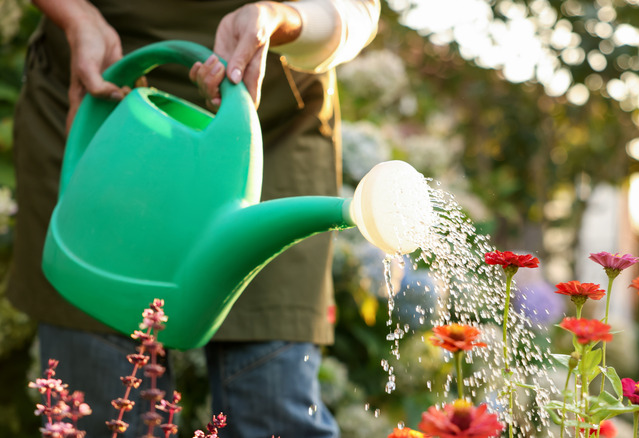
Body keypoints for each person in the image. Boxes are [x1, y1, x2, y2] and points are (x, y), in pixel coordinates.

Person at [8, 0, 380, 436]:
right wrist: (76, 17)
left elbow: (357, 10)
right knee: (107, 411)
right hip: (106, 106)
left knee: (274, 404)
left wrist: (281, 19)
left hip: (264, 130)